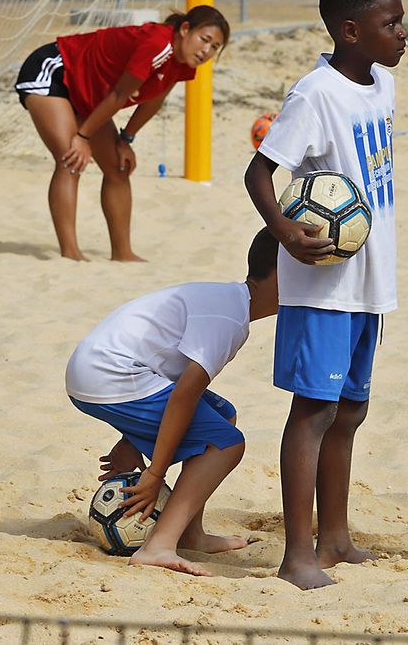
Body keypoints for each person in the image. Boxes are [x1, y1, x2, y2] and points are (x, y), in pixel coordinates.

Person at [243, 0, 404, 590]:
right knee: (313, 413)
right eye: (389, 24)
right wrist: (284, 232)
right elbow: (260, 174)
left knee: (351, 412)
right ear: (350, 30)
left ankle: (335, 538)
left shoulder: (383, 84)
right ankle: (295, 554)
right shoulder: (313, 94)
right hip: (323, 288)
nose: (402, 33)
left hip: (371, 282)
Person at [66, 228, 280, 576]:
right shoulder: (229, 319)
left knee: (222, 416)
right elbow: (183, 397)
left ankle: (190, 533)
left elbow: (171, 379)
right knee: (226, 444)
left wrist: (132, 437)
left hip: (98, 370)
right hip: (110, 376)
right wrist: (154, 472)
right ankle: (158, 546)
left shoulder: (229, 301)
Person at [14, 6, 229, 262]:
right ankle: (70, 255)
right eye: (205, 39)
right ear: (185, 30)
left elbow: (154, 100)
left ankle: (122, 253)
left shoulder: (181, 62)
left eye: (215, 47)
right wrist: (82, 139)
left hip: (87, 95)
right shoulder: (158, 44)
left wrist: (126, 138)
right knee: (70, 159)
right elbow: (118, 95)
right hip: (54, 71)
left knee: (118, 167)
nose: (207, 51)